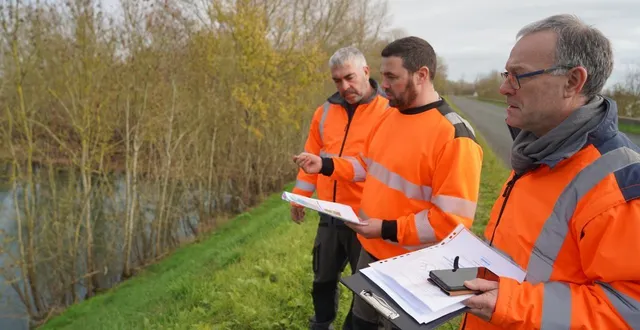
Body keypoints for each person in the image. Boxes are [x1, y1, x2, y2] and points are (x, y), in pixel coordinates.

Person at [460, 14, 640, 330]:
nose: (504, 88)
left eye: (518, 76)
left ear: (573, 81)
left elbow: (629, 311)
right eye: (506, 74)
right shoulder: (537, 148)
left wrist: (509, 303)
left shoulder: (620, 184)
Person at [293, 36, 484, 329]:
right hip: (371, 255)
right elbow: (365, 166)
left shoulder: (454, 136)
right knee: (360, 324)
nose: (383, 84)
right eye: (383, 76)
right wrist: (326, 165)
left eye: (392, 77)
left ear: (421, 75)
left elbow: (451, 222)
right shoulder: (389, 116)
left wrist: (384, 228)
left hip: (412, 270)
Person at [290, 46, 390, 330]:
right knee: (322, 279)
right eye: (337, 80)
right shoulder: (323, 112)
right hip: (329, 214)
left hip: (366, 218)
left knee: (368, 288)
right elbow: (310, 158)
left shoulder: (387, 112)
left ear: (366, 72)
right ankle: (321, 324)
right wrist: (299, 197)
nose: (344, 86)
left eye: (350, 77)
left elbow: (377, 167)